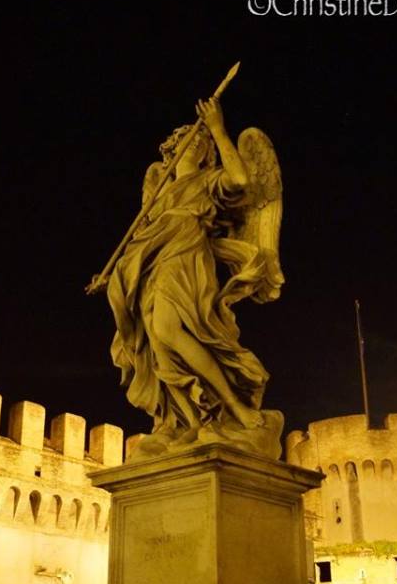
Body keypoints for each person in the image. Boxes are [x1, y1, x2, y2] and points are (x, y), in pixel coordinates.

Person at [105, 98, 283, 458]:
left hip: (186, 256)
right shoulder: (161, 188)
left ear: (205, 152)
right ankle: (189, 421)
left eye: (199, 140)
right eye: (189, 137)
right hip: (150, 262)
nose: (192, 142)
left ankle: (236, 409)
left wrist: (218, 129)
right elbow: (146, 227)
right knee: (157, 341)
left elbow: (241, 179)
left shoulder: (209, 180)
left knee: (169, 329)